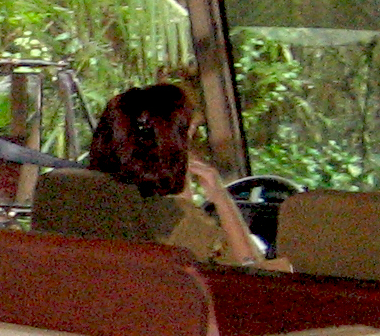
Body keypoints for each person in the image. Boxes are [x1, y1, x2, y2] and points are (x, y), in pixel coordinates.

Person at [38, 83, 266, 264]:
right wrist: (220, 197)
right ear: (171, 146)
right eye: (189, 136)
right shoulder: (172, 218)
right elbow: (249, 271)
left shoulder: (62, 191)